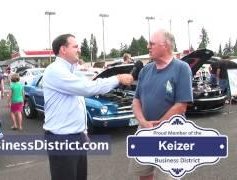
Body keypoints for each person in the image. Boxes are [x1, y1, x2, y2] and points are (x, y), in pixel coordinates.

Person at [43, 34, 134, 180]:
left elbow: (77, 104)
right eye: (75, 46)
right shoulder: (55, 70)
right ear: (63, 49)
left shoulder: (70, 72)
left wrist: (82, 131)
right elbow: (87, 88)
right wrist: (117, 78)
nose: (79, 50)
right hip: (62, 139)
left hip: (75, 136)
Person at [129, 29, 193, 180]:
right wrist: (143, 122)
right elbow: (136, 100)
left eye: (152, 44)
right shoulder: (145, 70)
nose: (148, 47)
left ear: (165, 46)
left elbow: (181, 105)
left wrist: (159, 126)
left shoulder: (181, 68)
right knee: (143, 173)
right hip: (144, 130)